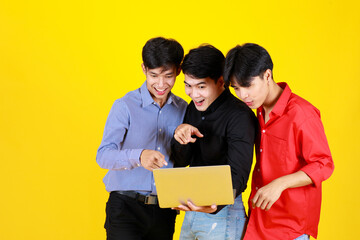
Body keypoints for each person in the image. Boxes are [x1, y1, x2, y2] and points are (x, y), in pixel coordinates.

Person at [224, 43, 335, 240]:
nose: (243, 96)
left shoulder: (302, 114)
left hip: (290, 229)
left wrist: (280, 184)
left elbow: (324, 164)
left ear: (267, 76)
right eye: (236, 89)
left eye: (248, 86)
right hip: (257, 222)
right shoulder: (254, 112)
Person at [96, 37, 187, 240]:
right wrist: (140, 156)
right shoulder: (124, 106)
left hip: (164, 210)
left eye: (168, 75)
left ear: (178, 71)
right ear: (144, 69)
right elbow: (103, 156)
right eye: (154, 75)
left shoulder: (184, 109)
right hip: (125, 208)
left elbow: (184, 159)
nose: (161, 84)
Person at [171, 45, 258, 240]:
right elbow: (182, 161)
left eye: (201, 86)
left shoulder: (240, 116)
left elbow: (239, 176)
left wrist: (212, 205)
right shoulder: (194, 108)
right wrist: (181, 137)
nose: (193, 94)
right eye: (188, 85)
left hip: (223, 214)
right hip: (192, 210)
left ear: (221, 82)